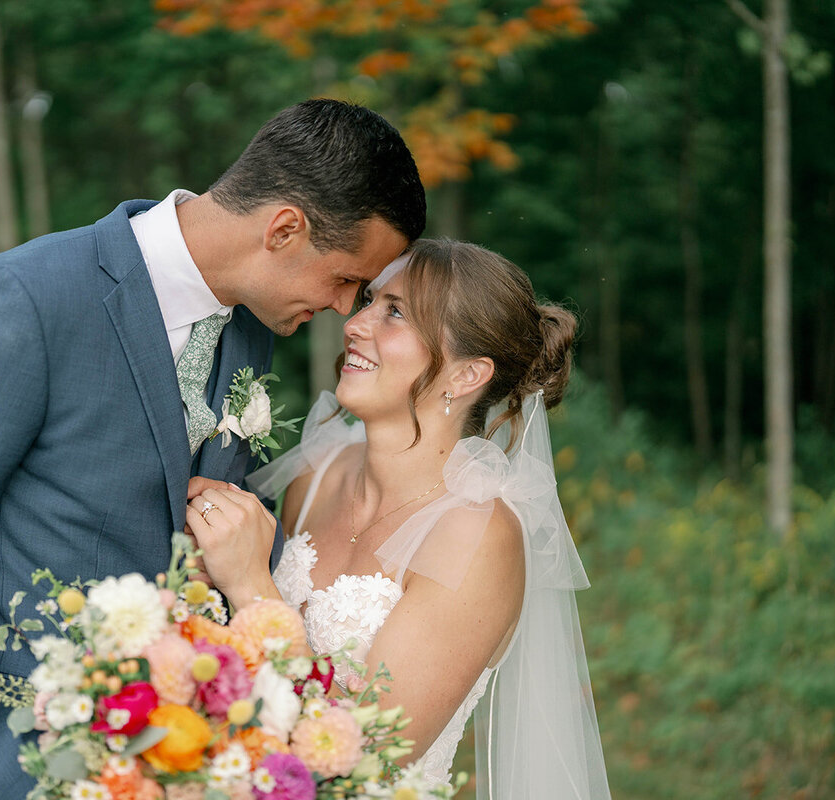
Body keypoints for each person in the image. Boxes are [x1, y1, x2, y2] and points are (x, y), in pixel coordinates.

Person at [0, 99, 426, 800]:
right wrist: (17, 775)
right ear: (284, 229)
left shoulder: (249, 325)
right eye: (345, 278)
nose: (343, 308)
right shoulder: (18, 302)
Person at [187, 238, 611, 799]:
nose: (356, 324)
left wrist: (250, 587)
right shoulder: (319, 477)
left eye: (395, 313)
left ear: (466, 376)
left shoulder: (478, 534)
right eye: (370, 300)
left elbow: (366, 760)